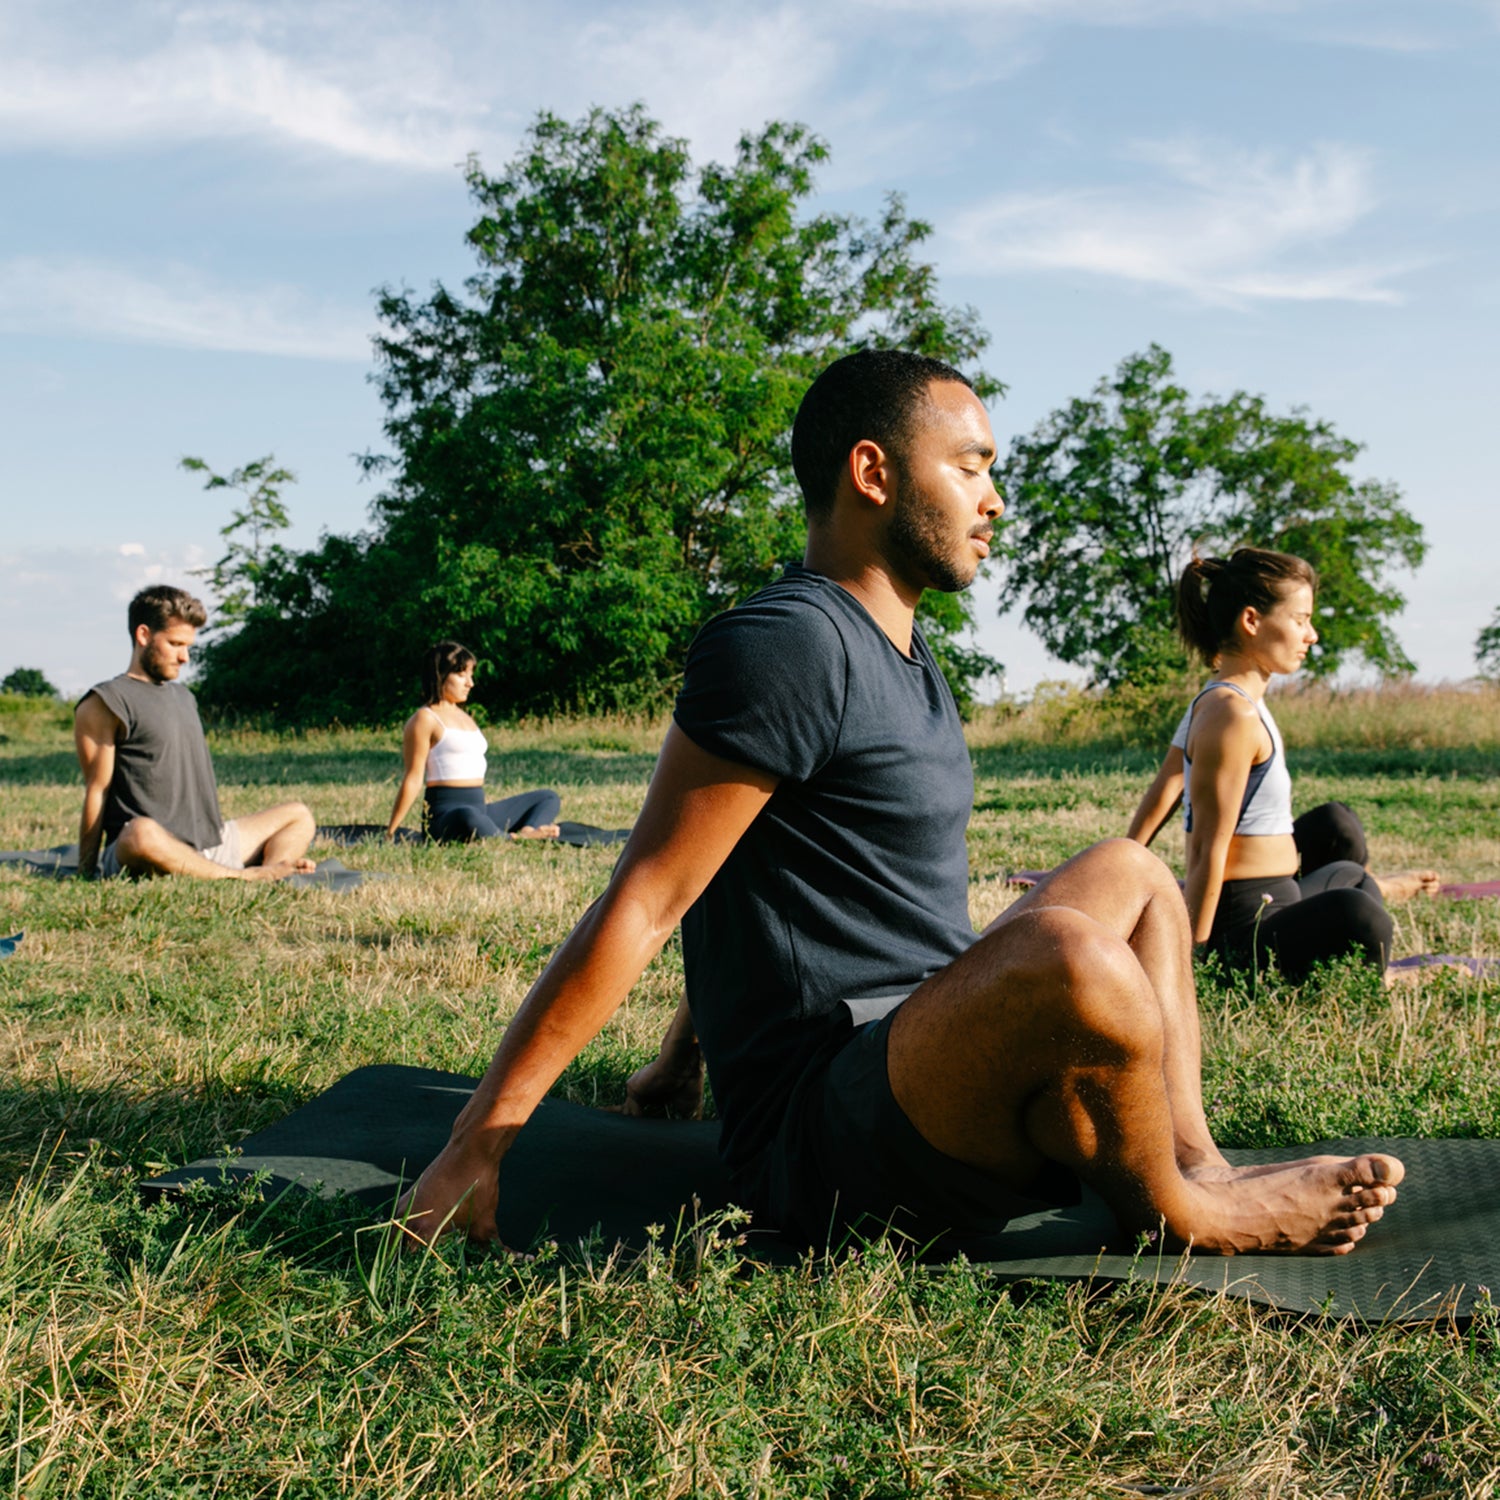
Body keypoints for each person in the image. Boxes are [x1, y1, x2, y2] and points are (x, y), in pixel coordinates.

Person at [398, 351, 1401, 1258]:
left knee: (1132, 873)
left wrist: (676, 1059)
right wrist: (476, 1142)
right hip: (823, 1130)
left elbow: (769, 872)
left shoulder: (910, 656)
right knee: (1066, 952)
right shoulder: (784, 642)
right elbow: (650, 900)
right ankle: (1186, 1217)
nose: (995, 499)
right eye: (970, 466)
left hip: (921, 1054)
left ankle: (1199, 1164)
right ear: (874, 473)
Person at [1127, 549, 1437, 980]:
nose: (1312, 635)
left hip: (1279, 893)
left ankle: (1363, 963)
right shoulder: (1231, 715)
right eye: (1300, 620)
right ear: (1252, 621)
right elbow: (1205, 848)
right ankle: (1385, 980)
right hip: (1245, 922)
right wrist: (1191, 962)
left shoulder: (1236, 701)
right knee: (1359, 913)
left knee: (1351, 875)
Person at [74, 585, 316, 881]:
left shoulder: (185, 696)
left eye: (188, 646)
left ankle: (271, 870)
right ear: (143, 635)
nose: (184, 657)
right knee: (140, 833)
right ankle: (242, 877)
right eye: (175, 644)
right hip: (146, 845)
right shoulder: (106, 701)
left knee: (298, 814)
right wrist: (86, 871)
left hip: (209, 845)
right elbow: (97, 790)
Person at [385, 642, 562, 843]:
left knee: (547, 797)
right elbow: (413, 778)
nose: (470, 683)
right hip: (447, 817)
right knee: (468, 816)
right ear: (440, 675)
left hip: (480, 811)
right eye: (462, 675)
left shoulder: (464, 716)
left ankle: (527, 831)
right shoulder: (425, 718)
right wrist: (392, 830)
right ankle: (513, 838)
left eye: (471, 675)